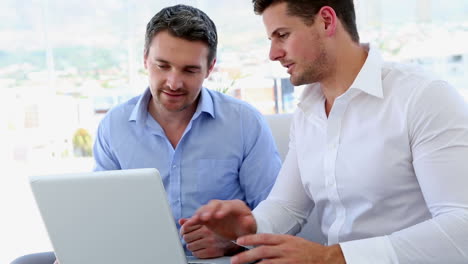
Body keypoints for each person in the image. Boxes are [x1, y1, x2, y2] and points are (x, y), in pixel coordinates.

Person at [184, 0, 468, 263]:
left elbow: (462, 226)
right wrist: (249, 226)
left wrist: (332, 257)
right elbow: (287, 206)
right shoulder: (308, 110)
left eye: (282, 35)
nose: (273, 54)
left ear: (326, 21)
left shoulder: (423, 97)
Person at [10, 4, 281, 264]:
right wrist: (79, 249)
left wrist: (233, 241)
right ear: (145, 60)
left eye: (189, 70)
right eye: (162, 66)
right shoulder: (114, 126)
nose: (174, 82)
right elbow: (103, 215)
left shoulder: (244, 123)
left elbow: (281, 217)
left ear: (210, 68)